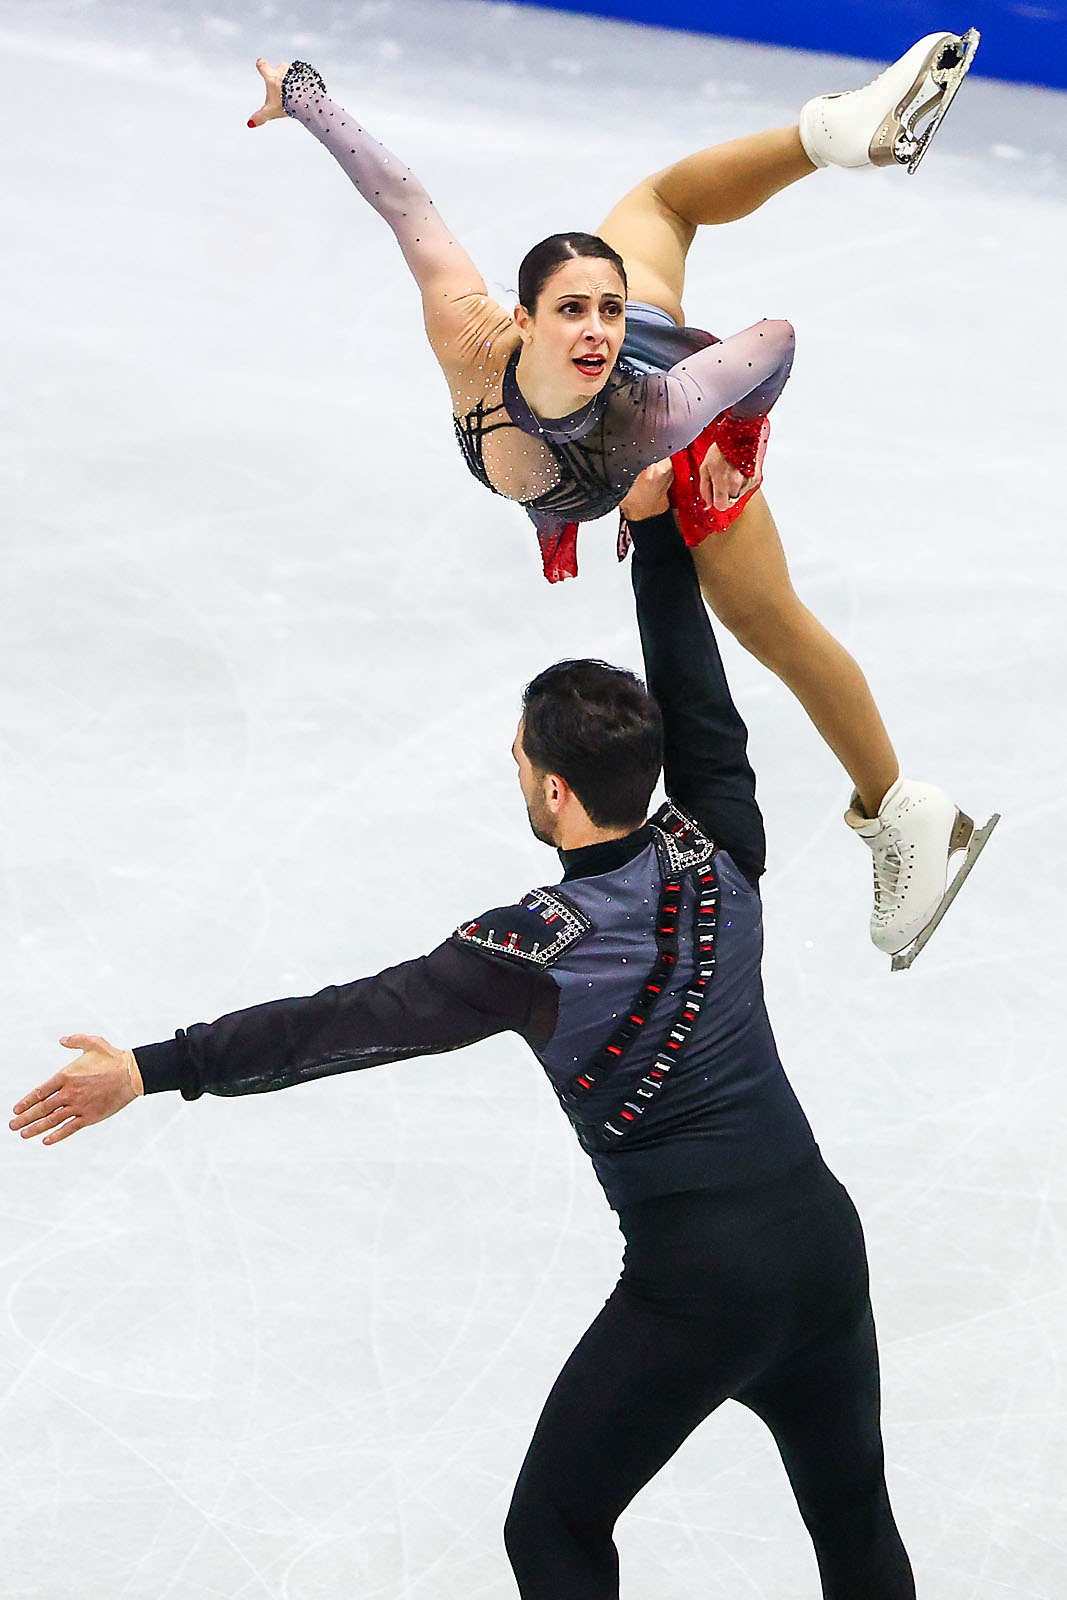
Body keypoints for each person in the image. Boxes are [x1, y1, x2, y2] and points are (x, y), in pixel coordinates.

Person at [12, 463, 918, 1600]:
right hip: (820, 1244)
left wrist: (153, 1068)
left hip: (697, 1285)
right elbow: (699, 700)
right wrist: (657, 541)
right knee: (849, 1511)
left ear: (550, 793)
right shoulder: (721, 844)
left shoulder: (529, 950)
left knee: (552, 1525)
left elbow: (340, 1023)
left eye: (520, 758)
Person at [244, 36, 988, 961]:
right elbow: (403, 199)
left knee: (761, 617)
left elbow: (774, 341)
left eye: (603, 307)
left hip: (687, 431)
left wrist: (733, 447)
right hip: (647, 360)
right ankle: (836, 132)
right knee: (659, 202)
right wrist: (304, 96)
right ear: (520, 320)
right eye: (571, 309)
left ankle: (901, 809)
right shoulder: (468, 334)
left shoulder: (654, 415)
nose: (592, 326)